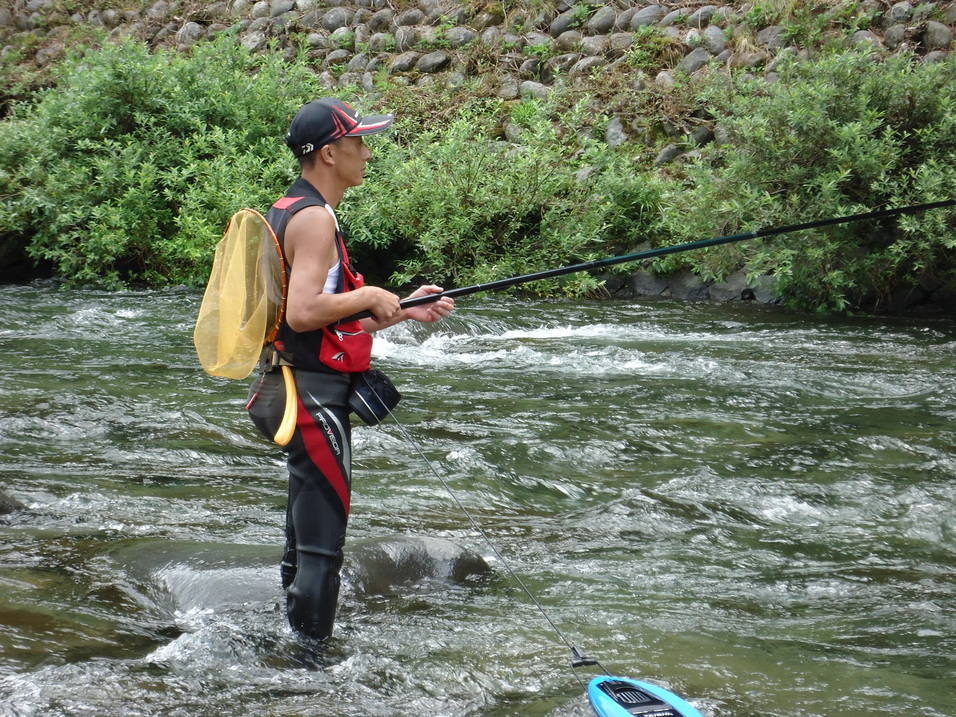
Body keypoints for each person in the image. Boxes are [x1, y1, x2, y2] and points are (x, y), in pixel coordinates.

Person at [245, 97, 455, 642]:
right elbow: (304, 311)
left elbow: (320, 328)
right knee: (321, 550)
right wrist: (375, 293)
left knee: (303, 537)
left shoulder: (288, 207)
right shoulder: (315, 218)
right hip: (313, 402)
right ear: (331, 153)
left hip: (295, 387)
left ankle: (290, 646)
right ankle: (310, 671)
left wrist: (400, 309)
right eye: (359, 142)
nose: (366, 152)